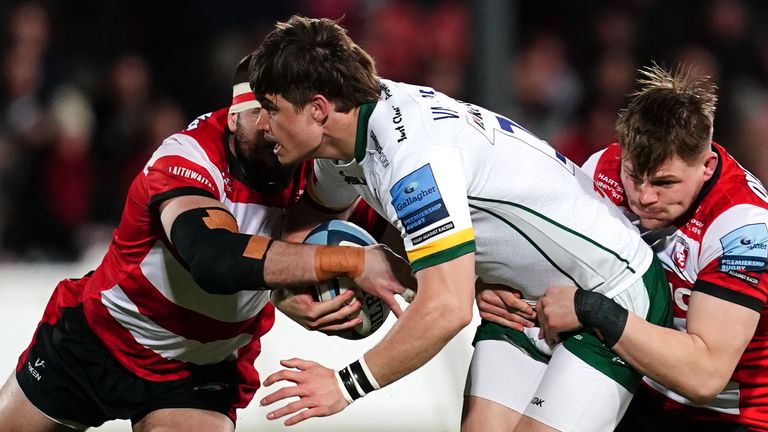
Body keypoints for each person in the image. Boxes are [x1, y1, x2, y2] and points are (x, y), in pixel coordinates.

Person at [248, 16, 670, 432]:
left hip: (611, 290)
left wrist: (344, 386)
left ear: (319, 109)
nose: (262, 125)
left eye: (270, 108)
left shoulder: (413, 157)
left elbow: (446, 308)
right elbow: (307, 228)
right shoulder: (347, 143)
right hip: (519, 304)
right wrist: (293, 290)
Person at [0, 54, 413, 432]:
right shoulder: (188, 159)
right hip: (102, 339)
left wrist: (470, 279)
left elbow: (406, 240)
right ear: (234, 117)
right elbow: (215, 258)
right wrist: (349, 262)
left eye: (281, 114)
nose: (273, 128)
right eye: (261, 113)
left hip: (201, 368)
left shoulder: (315, 168)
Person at [481, 65, 768, 431]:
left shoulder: (744, 229)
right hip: (636, 384)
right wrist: (498, 288)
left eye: (665, 182)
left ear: (707, 166)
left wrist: (592, 310)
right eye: (634, 176)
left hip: (724, 415)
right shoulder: (602, 169)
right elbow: (548, 265)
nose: (644, 197)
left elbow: (704, 376)